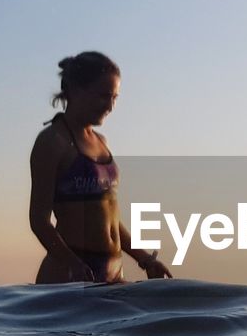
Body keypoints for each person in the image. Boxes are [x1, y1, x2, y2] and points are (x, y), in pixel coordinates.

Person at [30, 52, 174, 284]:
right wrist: (72, 264)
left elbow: (109, 216)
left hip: (113, 272)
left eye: (115, 97)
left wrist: (145, 258)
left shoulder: (102, 142)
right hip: (69, 275)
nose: (110, 105)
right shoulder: (52, 141)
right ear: (75, 91)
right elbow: (39, 220)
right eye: (103, 96)